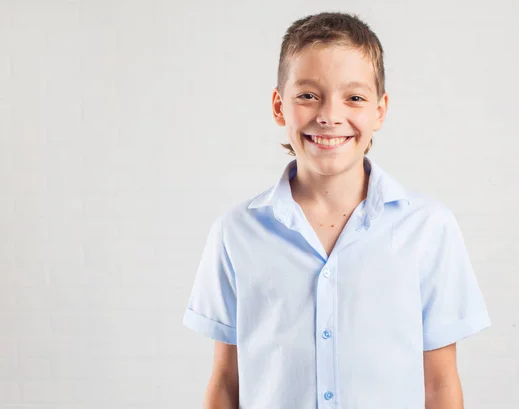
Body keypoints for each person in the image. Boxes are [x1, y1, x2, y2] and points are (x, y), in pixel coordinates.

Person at [182, 11, 491, 409]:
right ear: (279, 106)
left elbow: (440, 383)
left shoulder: (429, 228)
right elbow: (226, 382)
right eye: (308, 95)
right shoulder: (236, 232)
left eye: (354, 98)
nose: (329, 116)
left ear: (379, 111)